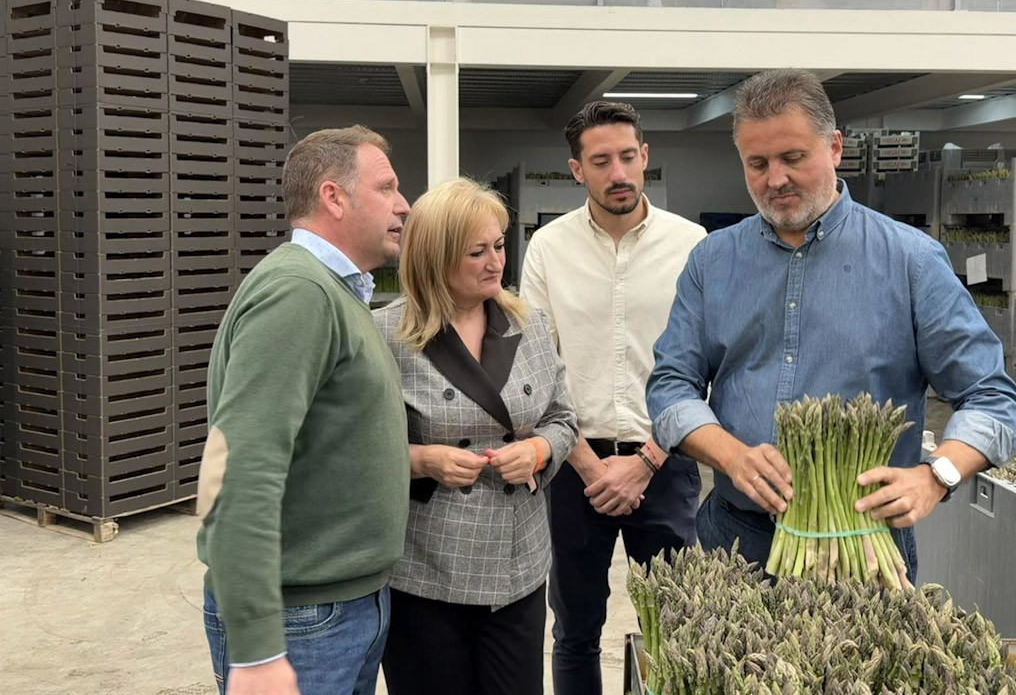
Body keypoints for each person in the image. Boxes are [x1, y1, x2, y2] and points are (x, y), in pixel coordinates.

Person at [646, 69, 1016, 580]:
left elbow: (991, 396)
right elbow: (670, 386)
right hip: (736, 538)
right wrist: (732, 456)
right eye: (757, 163)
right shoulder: (712, 261)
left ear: (835, 148)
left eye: (792, 157)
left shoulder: (911, 260)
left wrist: (937, 475)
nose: (775, 179)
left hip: (864, 546)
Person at [196, 125, 411, 695]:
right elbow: (239, 470)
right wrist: (258, 647)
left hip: (343, 606)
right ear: (333, 197)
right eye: (386, 188)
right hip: (302, 622)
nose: (403, 205)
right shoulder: (299, 293)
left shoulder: (334, 290)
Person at [520, 101, 707, 695]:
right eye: (601, 161)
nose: (618, 172)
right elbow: (536, 369)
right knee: (575, 630)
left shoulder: (693, 244)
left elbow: (707, 366)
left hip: (667, 460)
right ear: (578, 170)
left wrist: (647, 460)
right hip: (575, 468)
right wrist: (589, 465)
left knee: (679, 627)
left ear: (645, 156)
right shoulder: (548, 248)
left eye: (628, 156)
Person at [374, 178, 578, 695]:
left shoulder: (529, 323)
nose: (496, 263)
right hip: (426, 567)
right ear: (436, 258)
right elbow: (358, 450)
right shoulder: (386, 335)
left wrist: (538, 450)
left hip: (517, 567)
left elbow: (563, 419)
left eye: (500, 246)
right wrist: (424, 460)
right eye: (477, 252)